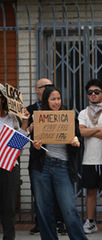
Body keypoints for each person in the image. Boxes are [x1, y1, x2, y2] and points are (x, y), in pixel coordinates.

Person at [30, 85, 88, 240]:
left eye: (58, 98)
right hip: (42, 168)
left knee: (69, 209)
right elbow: (33, 148)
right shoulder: (39, 118)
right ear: (46, 101)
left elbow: (78, 144)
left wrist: (76, 143)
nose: (56, 102)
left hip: (62, 167)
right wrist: (36, 146)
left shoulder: (68, 117)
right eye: (52, 99)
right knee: (44, 210)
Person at [26, 78, 67, 235]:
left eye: (52, 86)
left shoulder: (62, 110)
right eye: (46, 87)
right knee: (40, 195)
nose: (50, 89)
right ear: (38, 90)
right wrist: (29, 125)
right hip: (39, 158)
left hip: (59, 160)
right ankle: (41, 223)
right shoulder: (29, 110)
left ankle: (60, 221)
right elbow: (23, 135)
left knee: (60, 194)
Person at [78, 79, 102, 234]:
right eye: (90, 92)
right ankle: (91, 222)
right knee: (91, 192)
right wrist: (100, 129)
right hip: (89, 159)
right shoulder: (82, 113)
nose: (93, 95)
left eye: (97, 92)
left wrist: (91, 129)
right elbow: (81, 132)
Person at [0, 83, 29, 240]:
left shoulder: (13, 119)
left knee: (8, 208)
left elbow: (19, 144)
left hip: (9, 167)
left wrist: (25, 122)